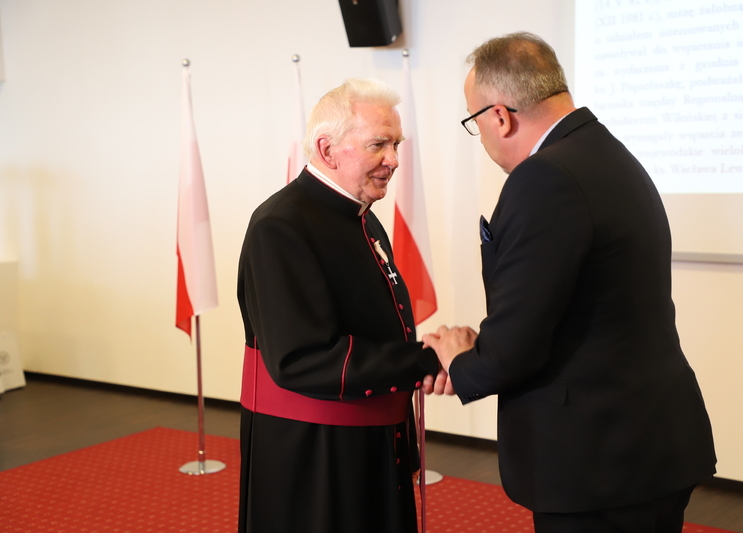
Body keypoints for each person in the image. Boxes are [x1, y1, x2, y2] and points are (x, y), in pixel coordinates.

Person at [421, 32, 717, 533]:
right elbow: (567, 304)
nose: (484, 136)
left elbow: (517, 344)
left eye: (475, 122)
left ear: (500, 115)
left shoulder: (544, 178)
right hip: (648, 442)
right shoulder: (607, 152)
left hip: (597, 462)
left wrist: (460, 357)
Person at [237, 78, 439, 533]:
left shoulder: (360, 217)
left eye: (396, 144)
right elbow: (303, 359)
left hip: (367, 438)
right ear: (328, 150)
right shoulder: (280, 226)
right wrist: (423, 359)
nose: (393, 159)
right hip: (315, 451)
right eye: (378, 145)